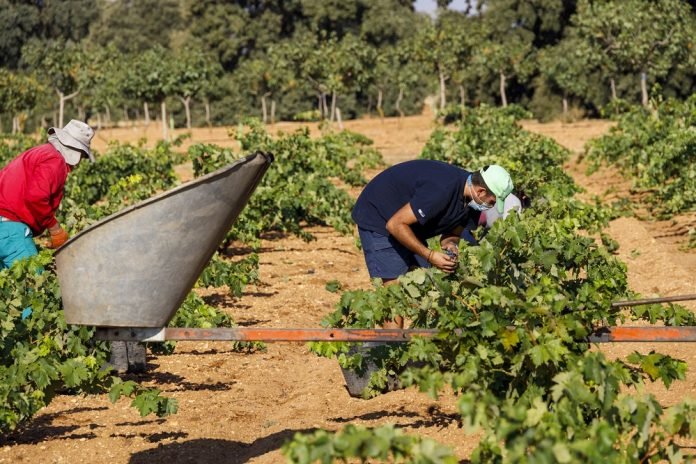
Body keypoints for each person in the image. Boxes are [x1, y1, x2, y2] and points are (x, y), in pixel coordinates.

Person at [352, 160, 513, 289]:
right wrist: (430, 255)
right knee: (395, 297)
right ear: (481, 191)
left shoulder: (473, 201)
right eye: (492, 202)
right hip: (379, 217)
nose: (491, 207)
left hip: (409, 223)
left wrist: (451, 246)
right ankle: (393, 331)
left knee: (425, 285)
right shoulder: (442, 189)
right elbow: (395, 224)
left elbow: (452, 234)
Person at [0, 120, 95, 269]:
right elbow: (35, 197)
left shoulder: (41, 152)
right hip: (11, 229)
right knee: (32, 286)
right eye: (82, 156)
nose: (79, 163)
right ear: (77, 152)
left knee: (8, 287)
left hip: (4, 227)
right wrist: (54, 227)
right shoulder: (55, 161)